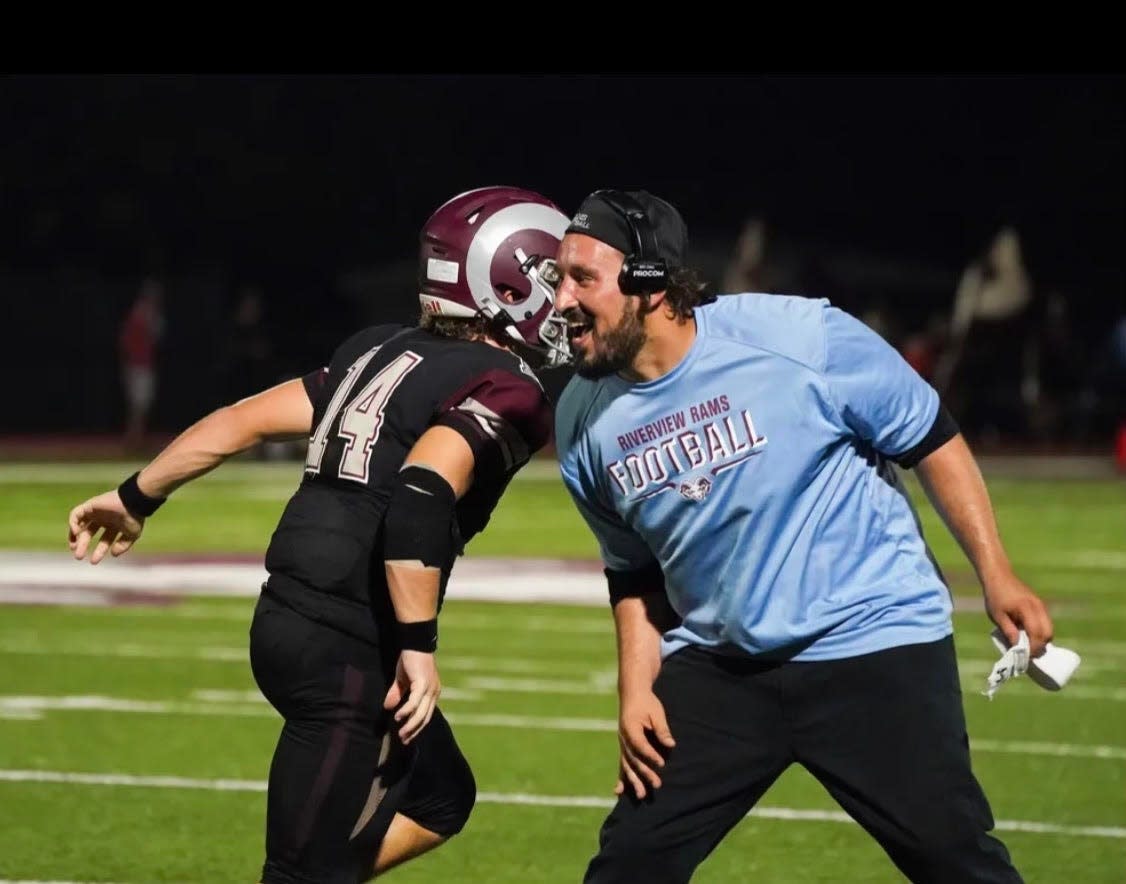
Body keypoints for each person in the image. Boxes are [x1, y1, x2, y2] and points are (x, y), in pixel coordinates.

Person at [68, 186, 571, 883]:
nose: (567, 297)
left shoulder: (377, 348)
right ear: (505, 283)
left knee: (439, 795)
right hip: (347, 646)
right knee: (298, 872)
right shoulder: (506, 385)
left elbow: (240, 420)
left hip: (287, 619)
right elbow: (422, 494)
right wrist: (419, 648)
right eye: (554, 277)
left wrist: (135, 495)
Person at [551, 189, 1054, 883]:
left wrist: (996, 573)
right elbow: (633, 570)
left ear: (651, 282)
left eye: (582, 277)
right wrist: (637, 690)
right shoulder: (582, 417)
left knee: (954, 860)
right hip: (724, 667)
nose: (559, 301)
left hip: (871, 642)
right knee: (629, 866)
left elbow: (930, 436)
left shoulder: (800, 337)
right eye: (558, 279)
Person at [118, 275, 165, 450]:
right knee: (139, 405)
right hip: (138, 365)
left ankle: (135, 438)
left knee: (140, 405)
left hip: (142, 364)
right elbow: (127, 340)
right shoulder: (141, 313)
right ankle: (133, 440)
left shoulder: (147, 313)